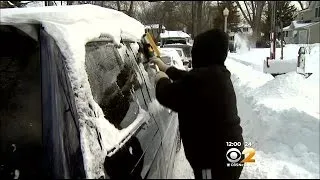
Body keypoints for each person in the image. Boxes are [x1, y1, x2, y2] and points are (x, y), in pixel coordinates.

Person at [150, 29, 244, 179]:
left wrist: (161, 79)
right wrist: (167, 69)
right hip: (230, 152)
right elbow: (189, 79)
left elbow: (167, 95)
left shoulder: (201, 81)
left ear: (202, 53)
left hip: (215, 160)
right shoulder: (218, 74)